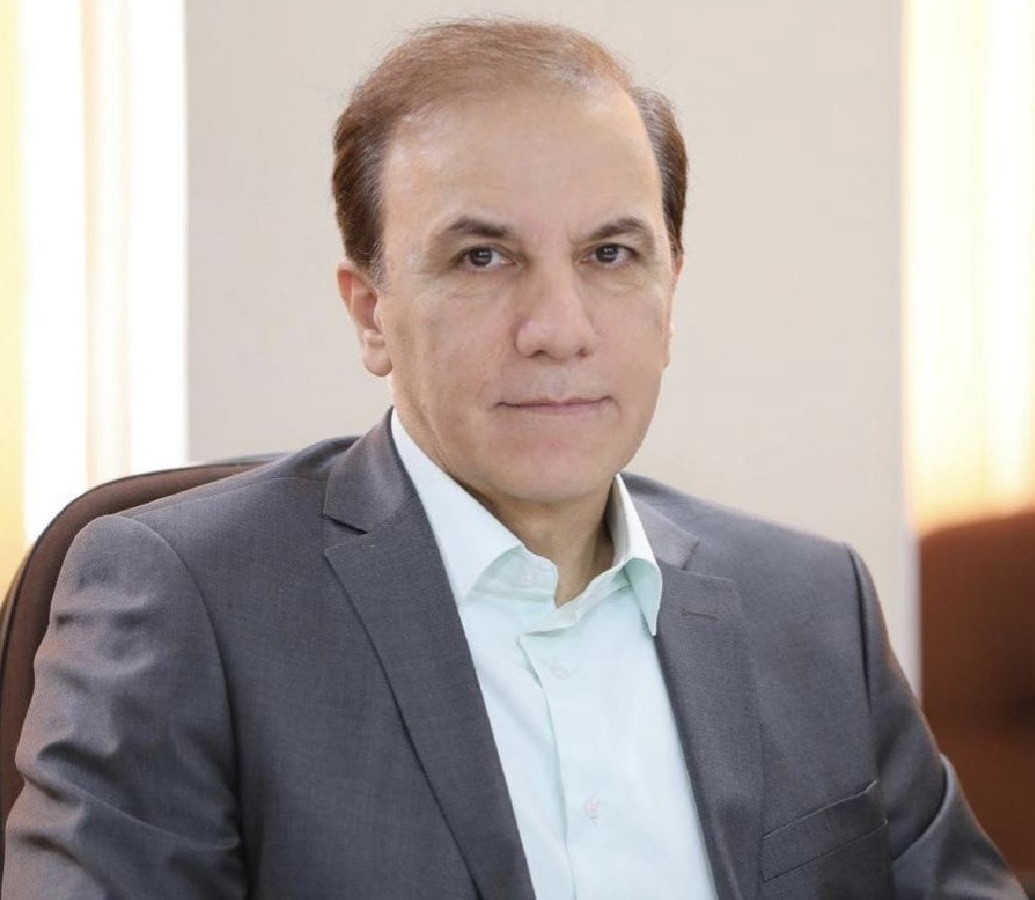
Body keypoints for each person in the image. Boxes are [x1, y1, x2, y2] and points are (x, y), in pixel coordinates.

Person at [3, 18, 1025, 900]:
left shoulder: (810, 605)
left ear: (670, 294)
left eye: (610, 254)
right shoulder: (192, 599)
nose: (558, 329)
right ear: (370, 313)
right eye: (482, 257)